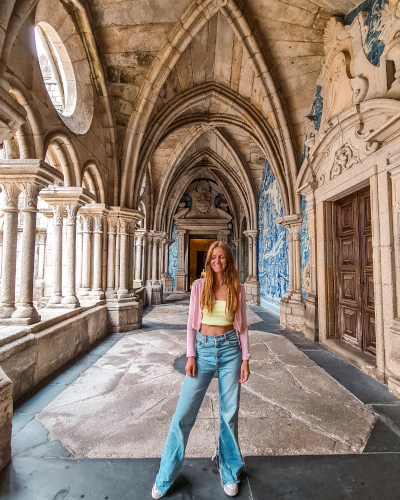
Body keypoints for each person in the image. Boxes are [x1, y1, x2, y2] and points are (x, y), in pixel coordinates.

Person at [152, 241, 250, 499]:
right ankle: (165, 475)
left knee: (229, 415)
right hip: (204, 351)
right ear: (208, 261)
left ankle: (229, 470)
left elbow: (242, 327)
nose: (217, 261)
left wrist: (246, 358)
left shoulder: (238, 289)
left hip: (231, 351)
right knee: (183, 414)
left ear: (228, 260)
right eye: (213, 257)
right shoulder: (199, 286)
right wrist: (191, 355)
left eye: (222, 257)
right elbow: (191, 325)